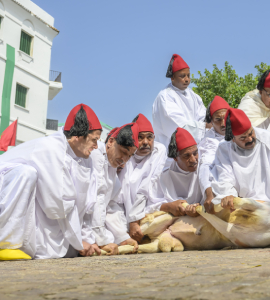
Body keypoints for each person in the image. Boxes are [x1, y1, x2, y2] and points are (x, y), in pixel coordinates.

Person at [0, 104, 102, 260]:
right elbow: (57, 204)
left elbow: (84, 205)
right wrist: (79, 241)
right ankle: (5, 242)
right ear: (78, 136)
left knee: (60, 251)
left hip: (45, 207)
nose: (96, 146)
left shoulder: (84, 159)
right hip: (6, 187)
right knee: (26, 174)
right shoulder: (51, 149)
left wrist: (87, 239)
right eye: (94, 140)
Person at [211, 108, 270, 228]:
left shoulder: (268, 139)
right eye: (243, 138)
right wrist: (228, 195)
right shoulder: (224, 148)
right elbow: (225, 176)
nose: (250, 139)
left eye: (251, 133)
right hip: (243, 206)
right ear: (233, 139)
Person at [83, 123, 139, 255]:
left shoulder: (112, 171)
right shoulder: (96, 155)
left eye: (129, 156)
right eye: (123, 152)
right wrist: (102, 240)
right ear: (111, 142)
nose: (124, 160)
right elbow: (97, 199)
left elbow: (111, 207)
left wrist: (123, 237)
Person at [113, 114, 167, 243]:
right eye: (140, 137)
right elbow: (118, 198)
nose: (146, 143)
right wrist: (123, 230)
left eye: (150, 137)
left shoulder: (158, 151)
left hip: (148, 212)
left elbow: (146, 188)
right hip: (126, 219)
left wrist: (134, 221)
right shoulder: (126, 156)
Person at [152, 54, 208, 146]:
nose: (187, 80)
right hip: (171, 150)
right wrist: (203, 127)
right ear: (172, 78)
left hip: (194, 148)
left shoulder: (193, 95)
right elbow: (177, 126)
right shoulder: (165, 96)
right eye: (182, 76)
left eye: (188, 76)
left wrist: (206, 125)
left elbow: (203, 115)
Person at [147, 127, 203, 217]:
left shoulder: (203, 169)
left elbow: (212, 198)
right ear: (175, 158)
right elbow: (149, 207)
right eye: (186, 156)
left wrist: (200, 208)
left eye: (195, 153)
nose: (193, 160)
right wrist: (169, 206)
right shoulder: (163, 176)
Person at [197, 96, 230, 213]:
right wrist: (209, 195)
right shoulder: (209, 142)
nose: (223, 124)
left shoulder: (241, 131)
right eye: (218, 120)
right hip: (223, 190)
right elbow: (205, 167)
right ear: (211, 121)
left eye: (226, 118)